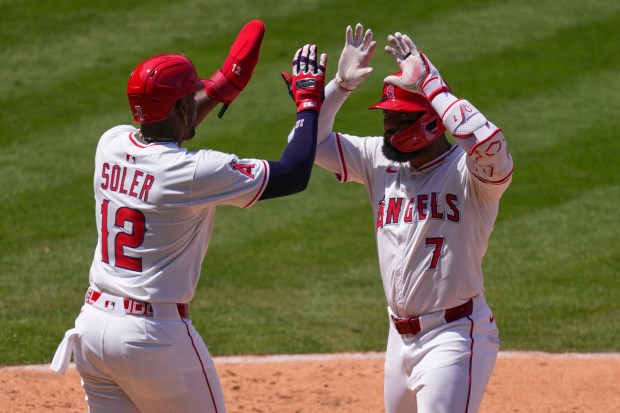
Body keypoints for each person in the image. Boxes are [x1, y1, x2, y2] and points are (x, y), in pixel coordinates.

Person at [50, 19, 328, 413]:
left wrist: (219, 89)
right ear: (181, 106)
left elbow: (165, 126)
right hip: (153, 340)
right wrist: (308, 103)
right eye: (191, 96)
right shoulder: (194, 173)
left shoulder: (109, 143)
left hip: (93, 330)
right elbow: (294, 174)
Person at [309, 24, 513, 412]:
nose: (388, 127)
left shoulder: (471, 176)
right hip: (397, 337)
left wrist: (434, 88)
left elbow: (489, 144)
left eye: (400, 120)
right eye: (387, 117)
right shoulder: (377, 160)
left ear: (433, 122)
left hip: (453, 336)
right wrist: (338, 87)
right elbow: (307, 146)